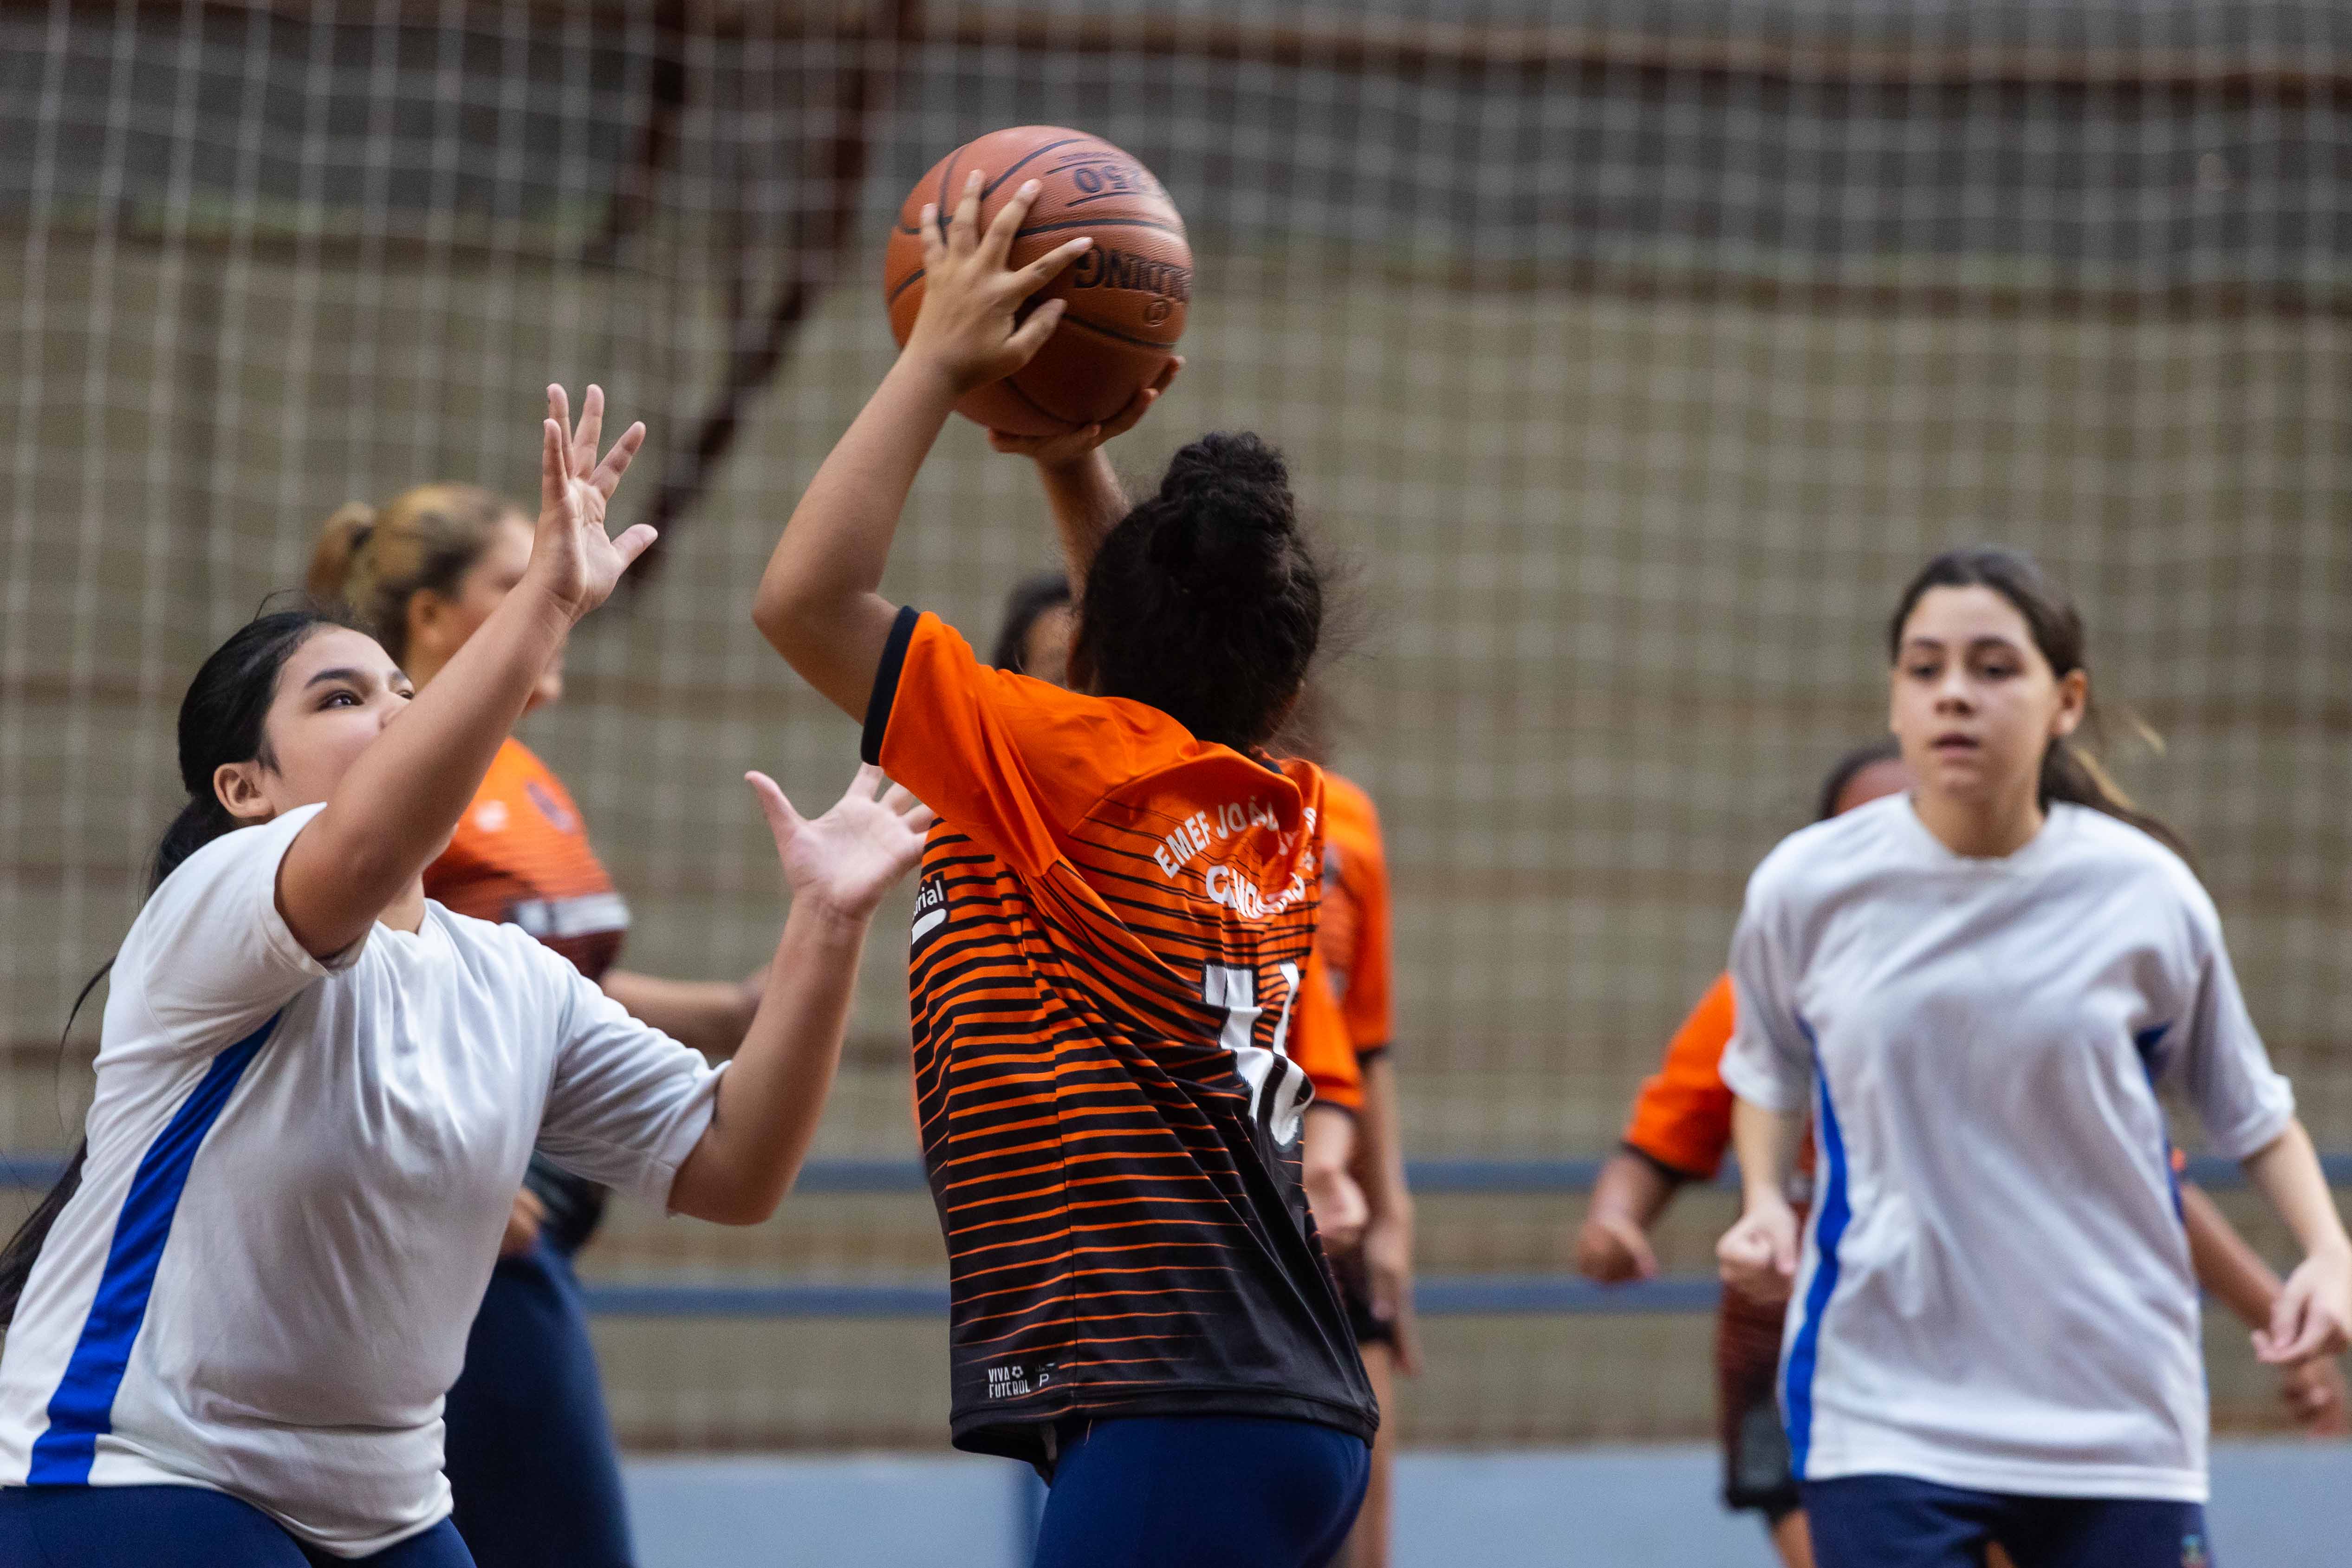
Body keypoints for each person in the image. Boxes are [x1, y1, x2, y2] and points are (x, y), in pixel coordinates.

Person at [0, 389, 933, 1567]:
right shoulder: (216, 901)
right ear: (246, 788)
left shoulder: (507, 977)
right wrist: (546, 597)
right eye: (341, 700)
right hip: (140, 1469)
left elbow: (733, 1166)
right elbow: (371, 847)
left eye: (403, 689)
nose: (395, 709)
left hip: (385, 1501)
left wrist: (827, 922)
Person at [753, 173, 1376, 1568]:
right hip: (1275, 1397)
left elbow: (799, 599)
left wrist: (940, 366)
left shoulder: (1052, 760)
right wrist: (1063, 449)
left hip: (1174, 1391)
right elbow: (1164, 649)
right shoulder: (1272, 800)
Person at [1714, 546, 2352, 1568]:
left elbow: (2252, 1114)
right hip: (1882, 1403)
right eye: (1924, 669)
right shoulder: (1808, 887)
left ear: (2065, 700)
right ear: (1894, 699)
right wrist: (1756, 1198)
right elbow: (1764, 1066)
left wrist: (2330, 1254)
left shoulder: (2146, 895)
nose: (1954, 695)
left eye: (1992, 667)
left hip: (2116, 1413)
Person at [1580, 743, 2346, 1568]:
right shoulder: (1769, 977)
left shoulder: (2061, 970)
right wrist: (1614, 1222)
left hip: (2034, 1346)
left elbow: (2164, 1182)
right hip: (1832, 1343)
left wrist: (2283, 1311)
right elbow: (1662, 1139)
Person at [306, 471, 766, 1568]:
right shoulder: (387, 779)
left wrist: (741, 1009)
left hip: (539, 1219)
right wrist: (423, 1154)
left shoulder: (523, 778)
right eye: (518, 581)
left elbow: (528, 986)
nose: (559, 594)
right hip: (467, 1237)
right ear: (429, 618)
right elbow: (334, 979)